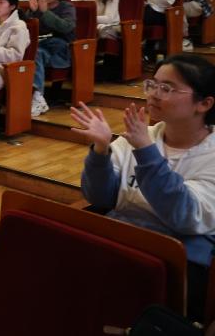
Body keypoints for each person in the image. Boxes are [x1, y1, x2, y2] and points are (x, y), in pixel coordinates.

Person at [72, 54, 215, 321]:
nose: (154, 94)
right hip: (122, 240)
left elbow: (184, 216)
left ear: (204, 103)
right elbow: (100, 197)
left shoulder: (206, 153)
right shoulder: (142, 136)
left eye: (167, 88)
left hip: (178, 260)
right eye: (153, 84)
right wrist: (101, 151)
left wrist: (146, 151)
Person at [22, 0, 76, 117]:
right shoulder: (37, 6)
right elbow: (26, 30)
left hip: (60, 51)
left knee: (36, 52)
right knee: (32, 52)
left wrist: (45, 12)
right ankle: (31, 96)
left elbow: (66, 27)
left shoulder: (67, 7)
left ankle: (37, 96)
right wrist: (34, 12)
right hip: (41, 47)